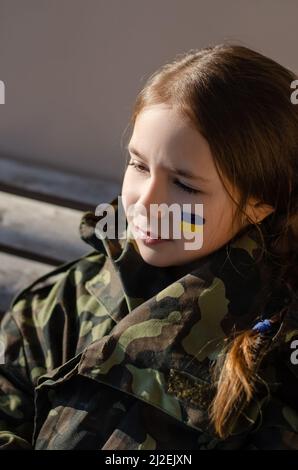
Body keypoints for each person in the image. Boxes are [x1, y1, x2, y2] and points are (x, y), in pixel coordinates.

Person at [0, 43, 298, 450]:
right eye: (138, 165)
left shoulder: (276, 353)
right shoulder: (69, 301)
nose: (145, 202)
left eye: (186, 185)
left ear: (258, 204)